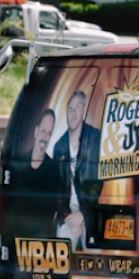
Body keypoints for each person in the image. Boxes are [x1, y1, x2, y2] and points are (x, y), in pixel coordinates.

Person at [52, 87, 101, 248]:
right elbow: (57, 189)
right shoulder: (59, 146)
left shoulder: (96, 139)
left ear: (84, 111)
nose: (73, 113)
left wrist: (83, 214)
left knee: (97, 262)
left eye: (78, 108)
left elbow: (100, 184)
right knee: (61, 257)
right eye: (70, 109)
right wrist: (69, 216)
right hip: (68, 215)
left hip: (93, 211)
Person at [13, 106, 66, 239]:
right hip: (20, 237)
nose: (45, 137)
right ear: (36, 132)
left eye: (49, 133)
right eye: (43, 131)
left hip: (44, 239)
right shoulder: (19, 165)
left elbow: (60, 207)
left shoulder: (53, 170)